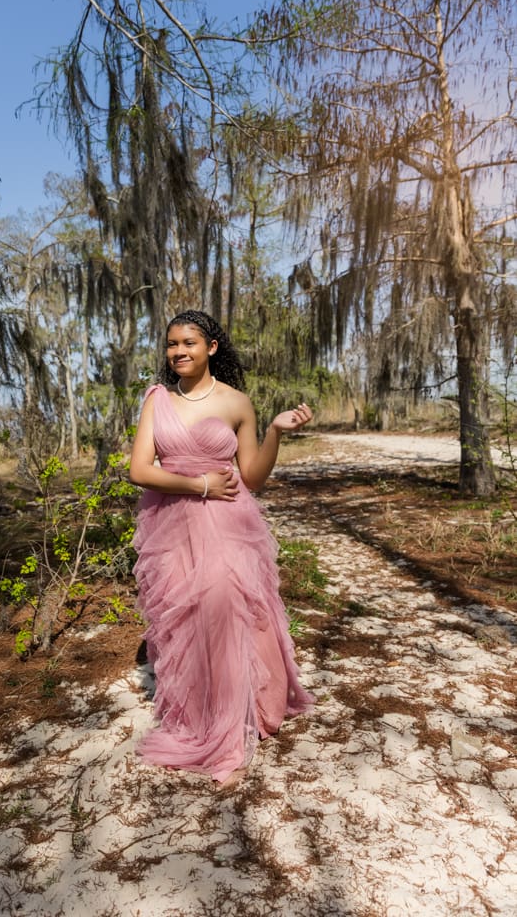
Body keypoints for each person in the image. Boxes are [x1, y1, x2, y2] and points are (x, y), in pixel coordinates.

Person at [129, 309, 314, 784]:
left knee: (227, 609)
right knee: (185, 621)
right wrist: (200, 485)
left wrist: (274, 432)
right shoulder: (158, 400)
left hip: (229, 522)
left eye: (188, 343)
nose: (178, 352)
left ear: (211, 347)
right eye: (172, 344)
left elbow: (251, 476)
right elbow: (140, 470)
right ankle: (199, 718)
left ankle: (232, 734)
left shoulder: (237, 403)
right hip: (171, 524)